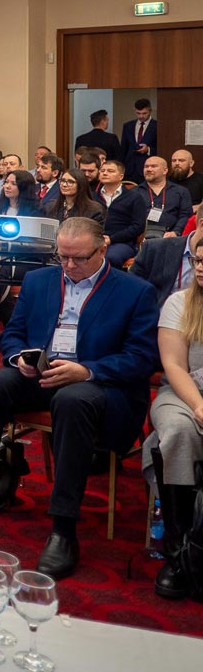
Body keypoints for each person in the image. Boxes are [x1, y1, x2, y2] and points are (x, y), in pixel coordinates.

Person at [0, 218, 159, 580]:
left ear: (102, 250)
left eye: (78, 258)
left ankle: (63, 528)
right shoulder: (39, 280)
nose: (68, 265)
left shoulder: (135, 291)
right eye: (62, 257)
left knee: (72, 401)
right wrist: (19, 358)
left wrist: (86, 370)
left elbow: (141, 358)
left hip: (100, 383)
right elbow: (14, 334)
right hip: (41, 373)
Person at [146, 234, 203, 599]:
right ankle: (179, 550)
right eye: (198, 260)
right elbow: (174, 366)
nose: (201, 269)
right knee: (179, 431)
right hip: (182, 394)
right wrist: (199, 406)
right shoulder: (179, 302)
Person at [94, 158, 148, 269]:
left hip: (122, 243)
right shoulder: (93, 196)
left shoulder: (134, 197)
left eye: (110, 171)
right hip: (93, 241)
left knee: (109, 257)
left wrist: (111, 239)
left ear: (121, 176)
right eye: (102, 171)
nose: (105, 173)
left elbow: (138, 226)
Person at [132, 226, 202, 308]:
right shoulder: (155, 249)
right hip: (158, 311)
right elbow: (131, 287)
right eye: (198, 261)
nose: (199, 267)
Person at [139, 155, 193, 240]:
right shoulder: (134, 192)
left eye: (153, 166)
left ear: (165, 170)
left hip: (171, 237)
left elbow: (185, 215)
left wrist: (175, 232)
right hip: (141, 236)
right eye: (146, 166)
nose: (148, 169)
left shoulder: (180, 191)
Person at [121, 98, 158, 183]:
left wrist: (148, 149)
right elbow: (123, 148)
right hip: (129, 169)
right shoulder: (128, 126)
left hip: (148, 168)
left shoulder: (157, 126)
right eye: (138, 113)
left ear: (150, 111)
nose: (141, 116)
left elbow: (161, 148)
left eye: (144, 113)